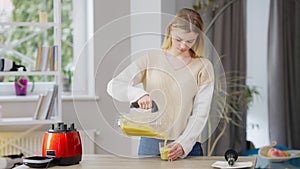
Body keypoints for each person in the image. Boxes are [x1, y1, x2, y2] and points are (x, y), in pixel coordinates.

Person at [107, 8, 214, 160]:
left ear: (198, 37)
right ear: (170, 31)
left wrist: (183, 145)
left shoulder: (203, 66)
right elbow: (114, 85)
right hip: (150, 144)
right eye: (178, 39)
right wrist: (139, 95)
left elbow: (200, 113)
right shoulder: (151, 59)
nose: (183, 46)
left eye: (190, 41)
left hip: (187, 146)